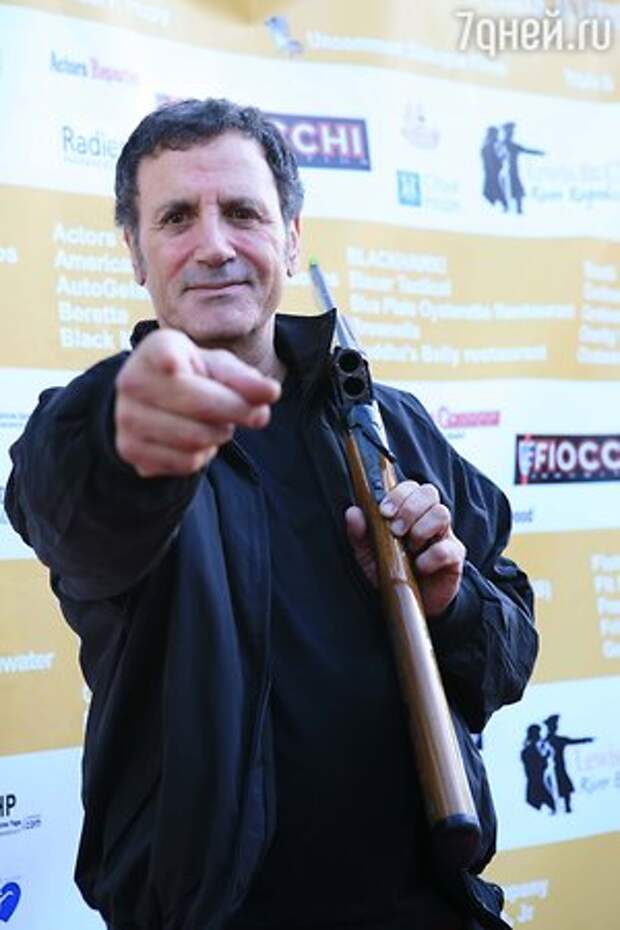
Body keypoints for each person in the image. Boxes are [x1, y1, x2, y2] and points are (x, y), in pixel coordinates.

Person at [5, 98, 538, 930]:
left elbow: (509, 651)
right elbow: (70, 499)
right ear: (136, 253)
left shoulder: (390, 425)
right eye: (176, 217)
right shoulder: (108, 434)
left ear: (290, 237)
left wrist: (452, 604)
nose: (214, 245)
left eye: (243, 212)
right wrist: (121, 418)